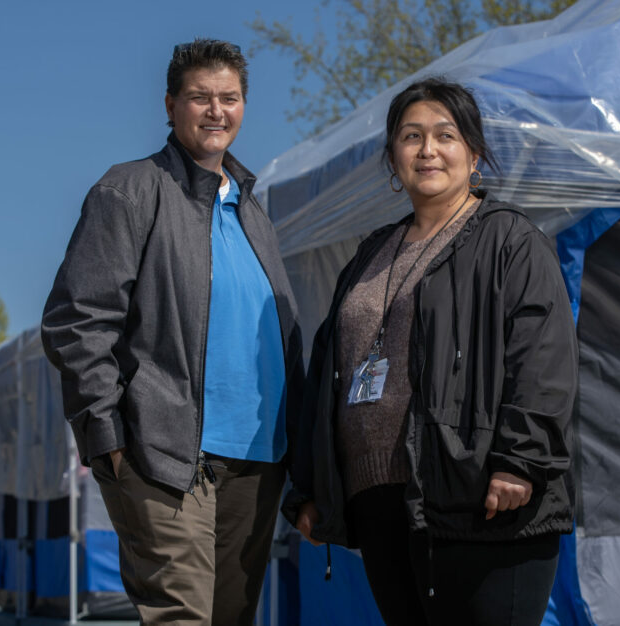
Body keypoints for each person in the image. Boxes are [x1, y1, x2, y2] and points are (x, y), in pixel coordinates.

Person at [282, 77, 578, 626]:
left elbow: (543, 359)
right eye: (411, 136)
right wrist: (310, 486)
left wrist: (520, 461)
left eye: (445, 134)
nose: (428, 150)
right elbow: (326, 373)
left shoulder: (509, 241)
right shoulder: (370, 255)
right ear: (393, 157)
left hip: (482, 497)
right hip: (381, 501)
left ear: (474, 152)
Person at [41, 39, 303, 626]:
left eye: (229, 98)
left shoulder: (253, 212)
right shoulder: (130, 190)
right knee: (181, 618)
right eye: (199, 97)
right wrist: (107, 434)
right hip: (161, 456)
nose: (216, 110)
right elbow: (76, 319)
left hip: (257, 463)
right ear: (170, 105)